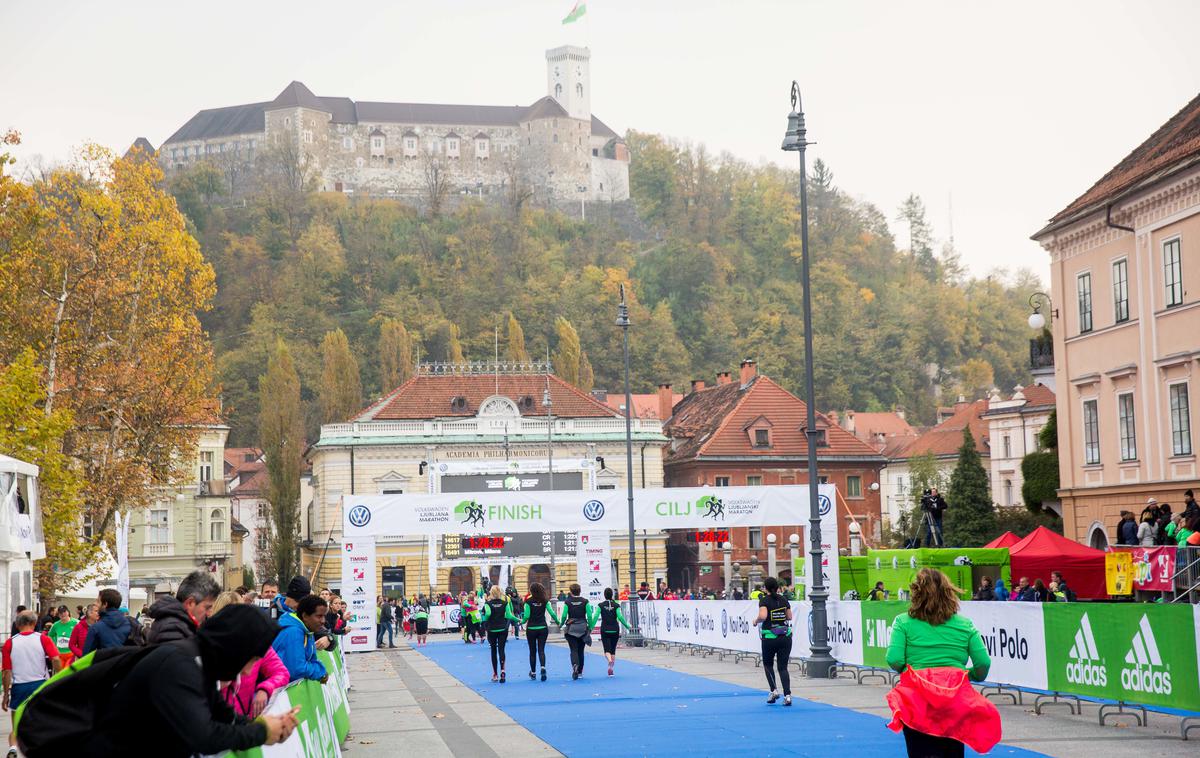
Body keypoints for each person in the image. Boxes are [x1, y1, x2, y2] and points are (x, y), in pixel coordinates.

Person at [89, 604, 299, 756]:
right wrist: (261, 732)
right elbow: (204, 737)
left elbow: (225, 716)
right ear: (237, 648)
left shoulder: (201, 663)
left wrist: (273, 725)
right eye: (252, 660)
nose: (247, 672)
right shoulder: (182, 665)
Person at [885, 568, 999, 757]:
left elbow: (894, 659)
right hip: (953, 700)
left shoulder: (903, 622)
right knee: (952, 750)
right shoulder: (965, 624)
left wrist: (911, 672)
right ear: (949, 593)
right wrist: (969, 675)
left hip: (916, 701)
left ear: (916, 593)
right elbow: (983, 663)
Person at [210, 591, 289, 717]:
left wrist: (265, 689)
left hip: (244, 723)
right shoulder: (203, 645)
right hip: (212, 725)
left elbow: (281, 673)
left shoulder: (258, 643)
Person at [3, 610, 62, 754]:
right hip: (40, 684)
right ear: (35, 623)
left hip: (19, 687)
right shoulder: (43, 639)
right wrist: (59, 677)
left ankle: (12, 748)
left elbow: (6, 672)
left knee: (16, 727)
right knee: (42, 721)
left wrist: (5, 695)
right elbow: (55, 659)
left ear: (17, 625)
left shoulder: (10, 643)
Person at [750, 576, 792, 706]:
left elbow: (763, 616)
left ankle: (774, 690)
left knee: (768, 665)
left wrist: (756, 621)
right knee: (783, 667)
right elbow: (789, 616)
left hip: (770, 637)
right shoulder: (784, 599)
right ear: (777, 587)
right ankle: (788, 695)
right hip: (785, 636)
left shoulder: (764, 600)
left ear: (766, 588)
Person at [148, 569, 221, 644]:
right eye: (207, 607)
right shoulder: (173, 629)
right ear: (190, 603)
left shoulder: (178, 625)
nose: (209, 613)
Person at [272, 595, 328, 683]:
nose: (323, 621)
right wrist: (320, 672)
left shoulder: (306, 629)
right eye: (319, 616)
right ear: (305, 616)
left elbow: (310, 660)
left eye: (324, 616)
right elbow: (296, 669)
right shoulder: (293, 632)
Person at [481, 587, 520, 683]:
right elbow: (509, 615)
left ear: (491, 593)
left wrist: (485, 620)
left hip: (492, 629)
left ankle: (495, 674)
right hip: (503, 628)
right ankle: (503, 670)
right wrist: (519, 620)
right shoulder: (505, 603)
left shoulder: (488, 604)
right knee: (501, 649)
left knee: (493, 650)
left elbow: (488, 613)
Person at [522, 582, 560, 681]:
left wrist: (521, 622)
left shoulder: (528, 602)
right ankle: (543, 667)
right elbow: (552, 613)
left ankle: (533, 672)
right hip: (542, 627)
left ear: (531, 591)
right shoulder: (545, 601)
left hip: (531, 629)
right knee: (541, 650)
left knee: (532, 651)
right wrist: (558, 622)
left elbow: (526, 616)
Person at [561, 583, 597, 680]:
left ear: (571, 591)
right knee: (581, 651)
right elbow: (589, 615)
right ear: (580, 591)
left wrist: (561, 624)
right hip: (582, 628)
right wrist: (590, 626)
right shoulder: (585, 601)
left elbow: (564, 615)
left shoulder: (567, 602)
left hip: (571, 628)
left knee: (573, 650)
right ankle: (580, 672)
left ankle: (575, 665)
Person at [594, 588, 631, 677]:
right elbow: (620, 617)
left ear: (604, 595)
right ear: (612, 595)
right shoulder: (616, 605)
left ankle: (609, 660)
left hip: (605, 629)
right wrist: (627, 626)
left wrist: (591, 626)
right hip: (615, 629)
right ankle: (611, 669)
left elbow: (595, 616)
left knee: (607, 650)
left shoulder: (600, 605)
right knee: (613, 650)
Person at [83, 589, 134, 654]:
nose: (95, 603)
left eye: (98, 601)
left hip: (103, 663)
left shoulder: (96, 628)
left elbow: (86, 656)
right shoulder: (130, 623)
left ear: (105, 604)